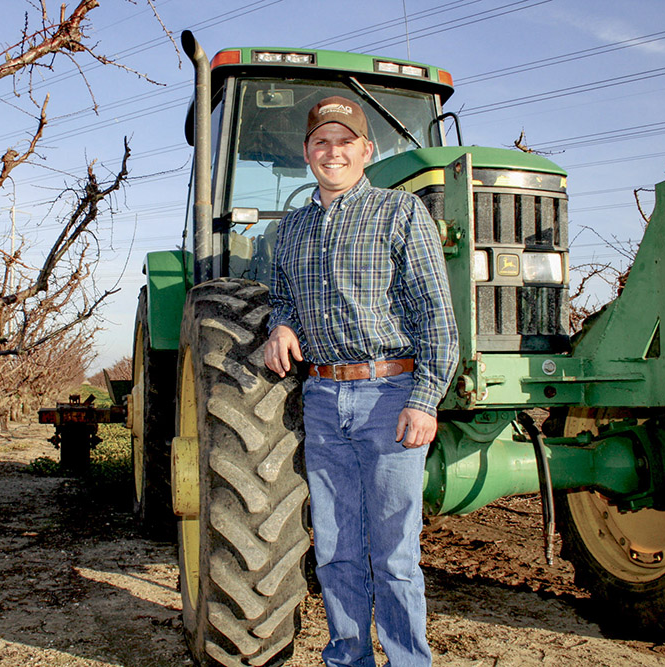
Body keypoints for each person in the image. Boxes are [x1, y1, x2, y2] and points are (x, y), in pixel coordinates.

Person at [263, 96, 459, 667]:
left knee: (395, 555)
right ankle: (347, 659)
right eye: (321, 142)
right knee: (335, 550)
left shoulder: (400, 212)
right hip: (323, 398)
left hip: (390, 395)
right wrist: (281, 326)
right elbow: (283, 296)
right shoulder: (291, 229)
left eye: (345, 141)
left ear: (366, 150)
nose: (333, 152)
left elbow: (436, 315)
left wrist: (425, 399)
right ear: (307, 153)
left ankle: (408, 661)